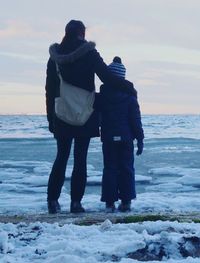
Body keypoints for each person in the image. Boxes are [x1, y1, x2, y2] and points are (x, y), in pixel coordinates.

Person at [45, 20, 136, 214]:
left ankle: (53, 201)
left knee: (61, 157)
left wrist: (50, 119)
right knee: (80, 159)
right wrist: (129, 88)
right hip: (85, 113)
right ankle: (76, 204)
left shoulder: (55, 57)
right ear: (82, 34)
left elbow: (50, 90)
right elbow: (107, 77)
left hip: (61, 114)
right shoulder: (89, 53)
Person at [96, 56, 144, 212]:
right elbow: (135, 120)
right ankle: (126, 201)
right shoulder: (130, 97)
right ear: (123, 77)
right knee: (126, 168)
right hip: (126, 138)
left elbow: (96, 116)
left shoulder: (102, 96)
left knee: (109, 168)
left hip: (109, 138)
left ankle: (109, 202)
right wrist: (140, 139)